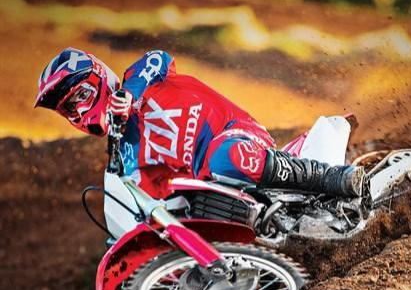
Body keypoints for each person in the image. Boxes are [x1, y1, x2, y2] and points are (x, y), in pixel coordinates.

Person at [34, 47, 366, 199]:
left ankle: (332, 177)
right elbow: (157, 200)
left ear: (99, 78)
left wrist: (131, 95)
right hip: (218, 187)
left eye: (79, 97)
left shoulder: (140, 78)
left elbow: (158, 57)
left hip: (238, 135)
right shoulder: (127, 156)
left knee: (224, 157)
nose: (78, 111)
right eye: (68, 109)